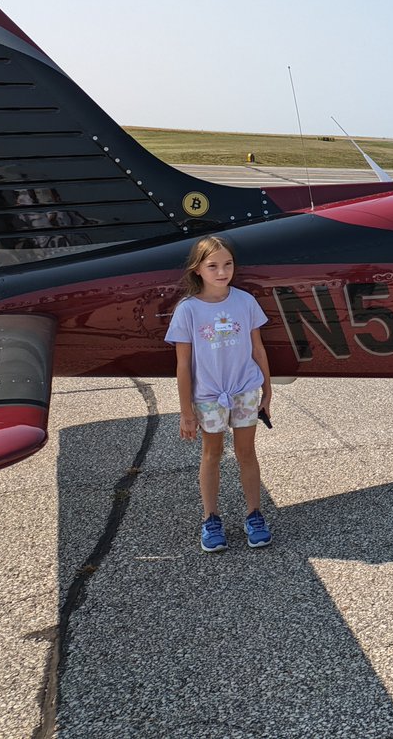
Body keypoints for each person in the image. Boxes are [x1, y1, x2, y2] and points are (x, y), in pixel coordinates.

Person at [165, 235, 273, 551]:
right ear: (198, 269)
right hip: (209, 396)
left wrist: (266, 391)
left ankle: (254, 515)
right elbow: (183, 365)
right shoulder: (187, 310)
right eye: (212, 266)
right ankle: (211, 518)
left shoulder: (244, 302)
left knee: (246, 453)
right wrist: (186, 411)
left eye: (227, 264)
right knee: (212, 454)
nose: (222, 272)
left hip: (244, 390)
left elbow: (258, 349)